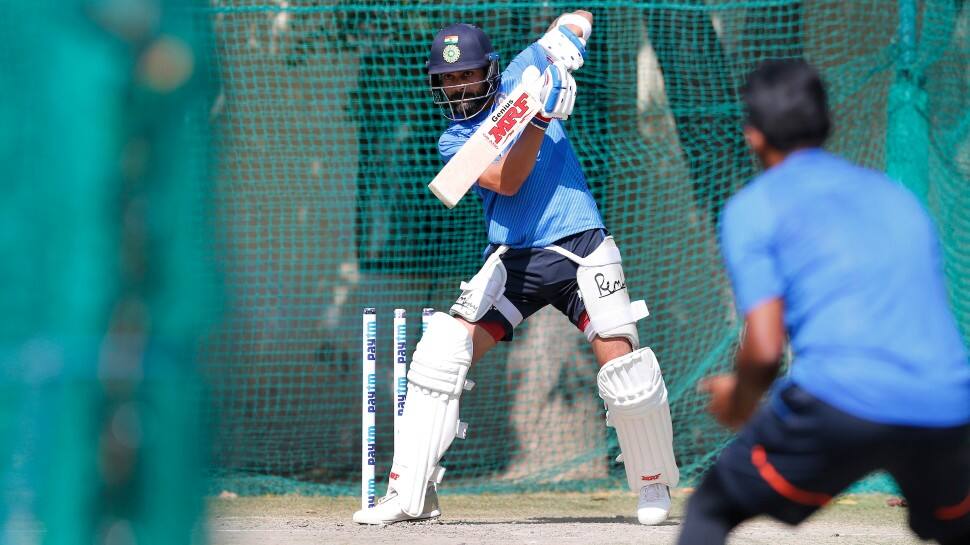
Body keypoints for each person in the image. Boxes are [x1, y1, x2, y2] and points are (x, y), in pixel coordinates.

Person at [353, 11, 680, 525]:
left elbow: (580, 19)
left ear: (490, 70)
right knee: (441, 353)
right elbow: (508, 179)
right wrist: (540, 119)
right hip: (516, 259)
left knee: (624, 366)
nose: (458, 86)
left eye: (467, 74)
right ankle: (408, 494)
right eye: (448, 78)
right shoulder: (454, 141)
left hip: (580, 244)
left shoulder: (527, 69)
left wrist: (568, 43)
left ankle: (652, 484)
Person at [678, 59, 970, 545]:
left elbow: (767, 348)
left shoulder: (754, 206)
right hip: (945, 403)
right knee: (950, 525)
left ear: (753, 134)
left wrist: (739, 398)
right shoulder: (895, 197)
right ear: (826, 121)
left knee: (712, 505)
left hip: (837, 402)